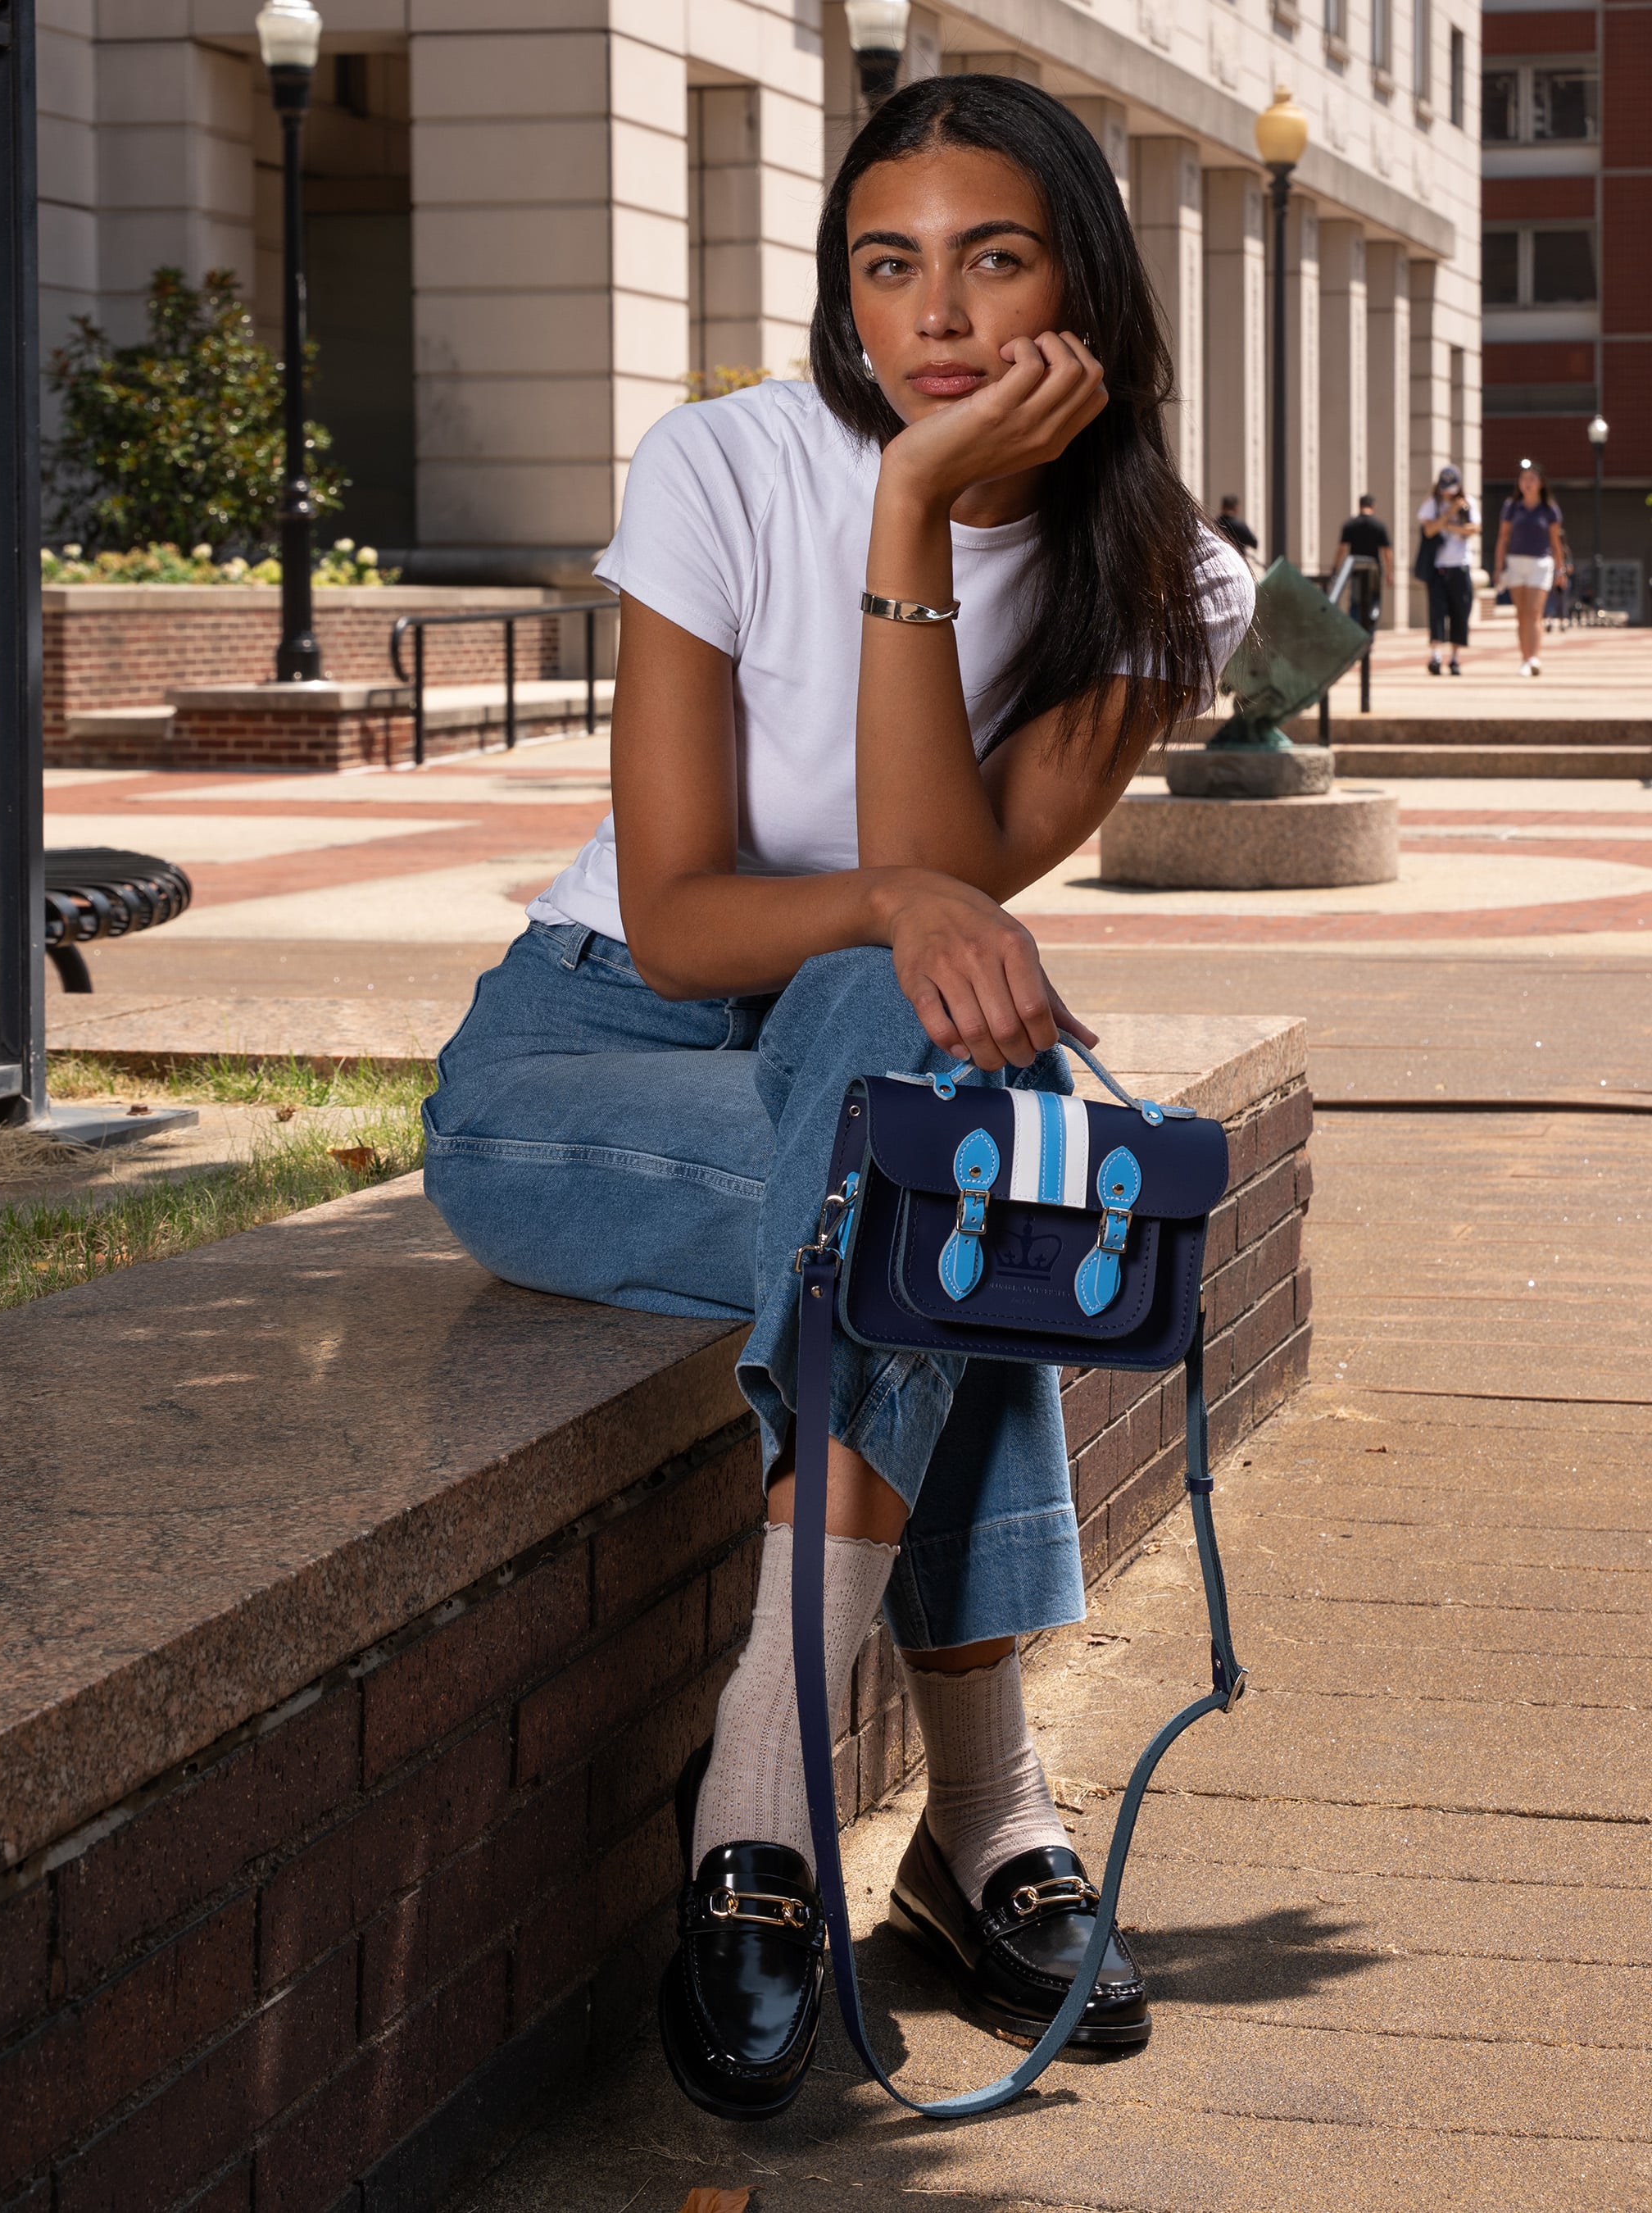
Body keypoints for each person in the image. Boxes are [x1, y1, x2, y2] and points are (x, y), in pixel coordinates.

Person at [422, 75, 1252, 2123]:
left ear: (1086, 282)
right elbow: (699, 911)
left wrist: (914, 532)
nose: (937, 317)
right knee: (946, 1185)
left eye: (995, 256)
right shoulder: (720, 461)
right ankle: (972, 1812)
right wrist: (889, 535)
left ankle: (763, 1819)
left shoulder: (1161, 577)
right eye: (889, 264)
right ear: (840, 291)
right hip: (586, 1063)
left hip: (857, 1057)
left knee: (910, 1115)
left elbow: (931, 900)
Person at [1492, 459, 1567, 676]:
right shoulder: (1511, 507)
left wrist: (1560, 570)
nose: (1527, 483)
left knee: (1535, 612)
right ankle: (1524, 658)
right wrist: (1499, 566)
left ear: (1541, 483)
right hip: (1516, 563)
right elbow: (1503, 538)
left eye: (1532, 479)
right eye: (1524, 479)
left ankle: (1534, 657)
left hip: (1540, 563)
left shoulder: (1549, 509)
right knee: (1521, 614)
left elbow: (1555, 542)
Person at [1416, 464, 1479, 675]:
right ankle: (1435, 655)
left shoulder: (1468, 503)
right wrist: (1449, 514)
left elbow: (1473, 529)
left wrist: (1451, 525)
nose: (1447, 492)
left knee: (1460, 612)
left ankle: (1455, 658)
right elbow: (1429, 530)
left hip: (1460, 565)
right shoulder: (1432, 503)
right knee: (1437, 612)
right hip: (1438, 567)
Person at [1333, 493, 1394, 627]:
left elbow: (1342, 549)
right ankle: (1369, 633)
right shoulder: (1379, 526)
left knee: (1356, 602)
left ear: (1359, 506)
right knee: (1374, 602)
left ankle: (1356, 633)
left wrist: (1335, 568)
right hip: (1374, 570)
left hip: (1356, 568)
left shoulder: (1350, 524)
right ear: (1373, 506)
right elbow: (1387, 552)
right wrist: (1390, 572)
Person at [1215, 492, 1259, 563]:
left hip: (1219, 563)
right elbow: (1254, 543)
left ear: (1222, 507)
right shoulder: (1240, 526)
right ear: (1236, 509)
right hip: (1237, 563)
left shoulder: (1214, 525)